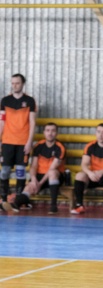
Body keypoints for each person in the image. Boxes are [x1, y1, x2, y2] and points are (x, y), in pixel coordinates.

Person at [9, 122, 66, 214]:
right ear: (44, 132)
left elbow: (52, 168)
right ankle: (17, 204)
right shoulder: (38, 146)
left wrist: (39, 184)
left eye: (53, 131)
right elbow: (33, 166)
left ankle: (53, 206)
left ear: (56, 133)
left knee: (52, 172)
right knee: (29, 187)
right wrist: (34, 179)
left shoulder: (60, 147)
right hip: (40, 175)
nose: (50, 133)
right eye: (47, 130)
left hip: (55, 176)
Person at [0, 73, 37, 211]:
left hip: (23, 142)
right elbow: (2, 122)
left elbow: (32, 123)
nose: (15, 85)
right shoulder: (5, 100)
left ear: (23, 84)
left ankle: (18, 201)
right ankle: (3, 201)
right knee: (4, 171)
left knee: (20, 172)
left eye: (17, 83)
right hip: (7, 141)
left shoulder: (30, 101)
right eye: (13, 83)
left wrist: (29, 142)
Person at [70, 123, 103, 216]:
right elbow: (84, 164)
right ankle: (79, 205)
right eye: (98, 132)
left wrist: (102, 172)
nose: (101, 135)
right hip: (93, 176)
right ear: (95, 133)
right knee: (79, 175)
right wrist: (90, 173)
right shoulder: (90, 146)